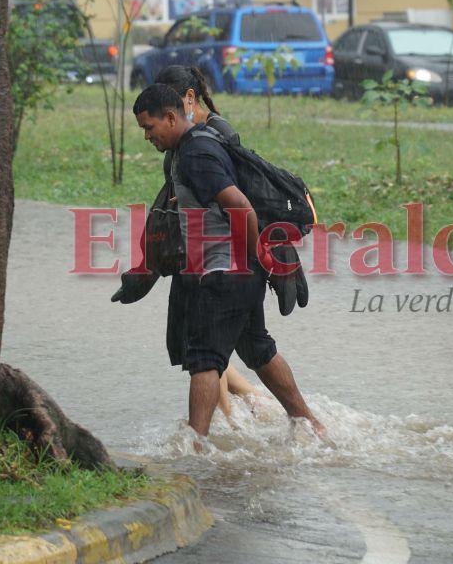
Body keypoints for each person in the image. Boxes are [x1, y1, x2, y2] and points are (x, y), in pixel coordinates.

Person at [132, 83, 323, 440]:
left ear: (171, 117)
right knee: (259, 350)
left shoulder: (196, 155)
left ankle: (195, 447)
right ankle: (310, 425)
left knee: (205, 361)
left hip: (224, 273)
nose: (147, 136)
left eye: (149, 127)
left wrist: (257, 255)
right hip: (236, 273)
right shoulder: (197, 145)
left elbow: (241, 206)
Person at [155, 66, 259, 418]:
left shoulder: (216, 135)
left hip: (222, 261)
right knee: (218, 349)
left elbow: (238, 198)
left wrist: (253, 259)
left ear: (189, 98)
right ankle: (242, 414)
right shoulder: (181, 140)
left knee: (207, 353)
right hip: (195, 254)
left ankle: (222, 424)